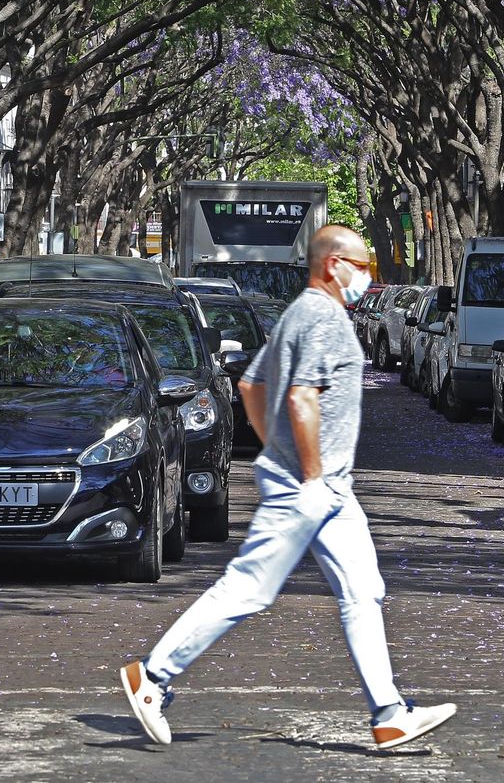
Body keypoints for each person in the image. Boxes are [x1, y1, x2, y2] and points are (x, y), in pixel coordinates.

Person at [118, 225, 456, 752]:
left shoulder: (301, 314)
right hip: (312, 485)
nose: (367, 276)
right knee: (249, 586)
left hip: (326, 487)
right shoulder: (321, 316)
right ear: (331, 265)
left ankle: (389, 712)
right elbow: (300, 397)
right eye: (361, 264)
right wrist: (308, 470)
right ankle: (153, 675)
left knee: (362, 590)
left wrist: (275, 447)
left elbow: (251, 384)